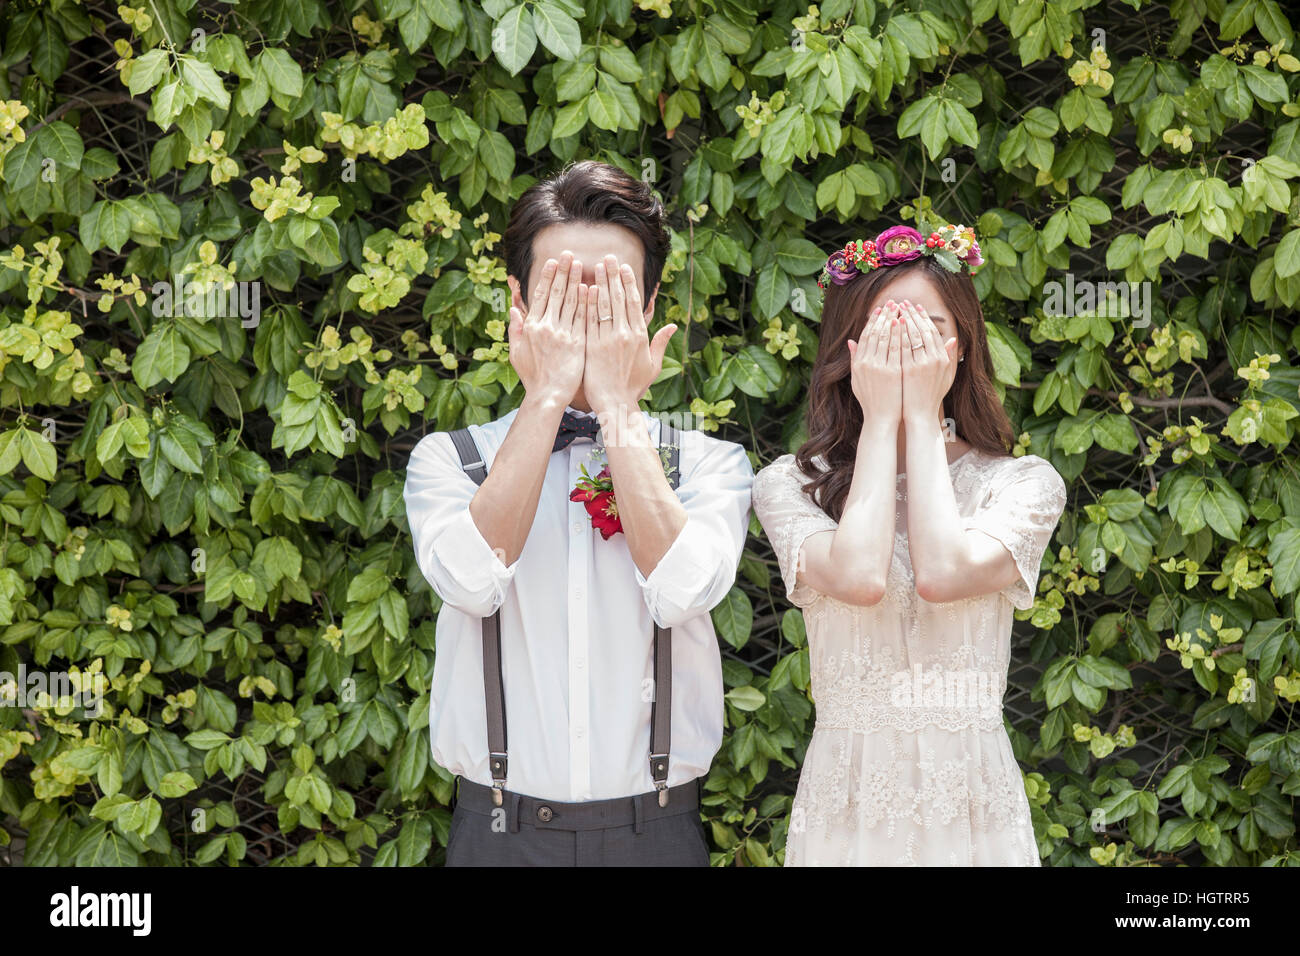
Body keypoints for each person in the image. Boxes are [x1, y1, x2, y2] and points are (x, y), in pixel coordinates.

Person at [403, 160, 754, 866]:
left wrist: (619, 409)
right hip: (498, 833)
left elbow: (684, 591)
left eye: (612, 294)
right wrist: (547, 400)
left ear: (649, 307)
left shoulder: (709, 466)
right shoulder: (448, 460)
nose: (587, 314)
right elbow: (470, 583)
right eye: (563, 292)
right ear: (519, 302)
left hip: (653, 835)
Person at [751, 223, 1067, 866]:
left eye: (924, 327)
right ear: (849, 344)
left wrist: (923, 415)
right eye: (885, 327)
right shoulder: (790, 484)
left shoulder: (1025, 483)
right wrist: (881, 421)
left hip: (971, 798)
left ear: (960, 344)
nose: (905, 345)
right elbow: (860, 577)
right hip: (849, 794)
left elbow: (944, 574)